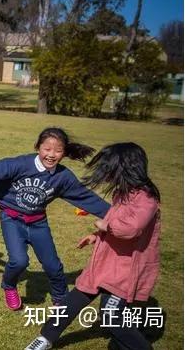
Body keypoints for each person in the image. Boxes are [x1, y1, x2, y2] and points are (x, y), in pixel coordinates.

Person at [0, 127, 110, 310]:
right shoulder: (22, 164)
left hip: (38, 223)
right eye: (47, 149)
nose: (51, 155)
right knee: (19, 261)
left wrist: (120, 214)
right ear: (38, 147)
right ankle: (9, 285)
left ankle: (60, 299)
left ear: (64, 153)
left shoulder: (63, 177)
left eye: (58, 151)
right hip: (11, 219)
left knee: (53, 265)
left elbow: (86, 197)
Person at [25, 143, 160, 350]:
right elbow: (120, 223)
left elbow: (131, 229)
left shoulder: (146, 198)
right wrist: (97, 235)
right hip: (104, 262)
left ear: (125, 168)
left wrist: (104, 224)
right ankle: (46, 337)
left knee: (111, 316)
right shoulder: (123, 193)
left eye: (110, 169)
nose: (106, 174)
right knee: (73, 300)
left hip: (124, 270)